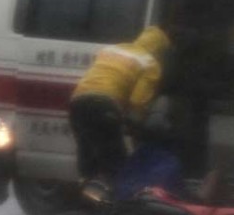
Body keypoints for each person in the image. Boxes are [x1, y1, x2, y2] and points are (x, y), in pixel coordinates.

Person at [68, 26, 171, 201]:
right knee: (115, 158)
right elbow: (138, 101)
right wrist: (136, 126)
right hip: (105, 104)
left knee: (87, 151)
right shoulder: (150, 63)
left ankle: (87, 195)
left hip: (78, 102)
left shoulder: (112, 49)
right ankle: (117, 203)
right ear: (159, 50)